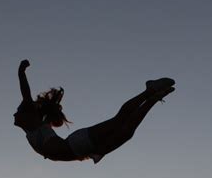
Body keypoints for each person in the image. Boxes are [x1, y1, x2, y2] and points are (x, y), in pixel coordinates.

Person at [14, 59, 175, 163]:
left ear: (27, 114)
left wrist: (21, 73)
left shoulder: (35, 124)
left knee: (119, 122)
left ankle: (149, 91)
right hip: (82, 149)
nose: (14, 114)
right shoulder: (39, 126)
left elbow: (26, 95)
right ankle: (153, 97)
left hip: (76, 144)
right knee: (127, 132)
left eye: (18, 111)